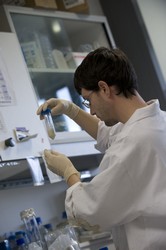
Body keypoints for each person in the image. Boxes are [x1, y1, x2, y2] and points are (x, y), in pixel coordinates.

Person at [37, 47, 166, 250]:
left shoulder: (133, 144)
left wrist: (68, 172)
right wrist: (72, 110)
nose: (93, 111)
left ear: (104, 89)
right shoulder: (157, 122)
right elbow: (109, 133)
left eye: (88, 101)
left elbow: (92, 212)